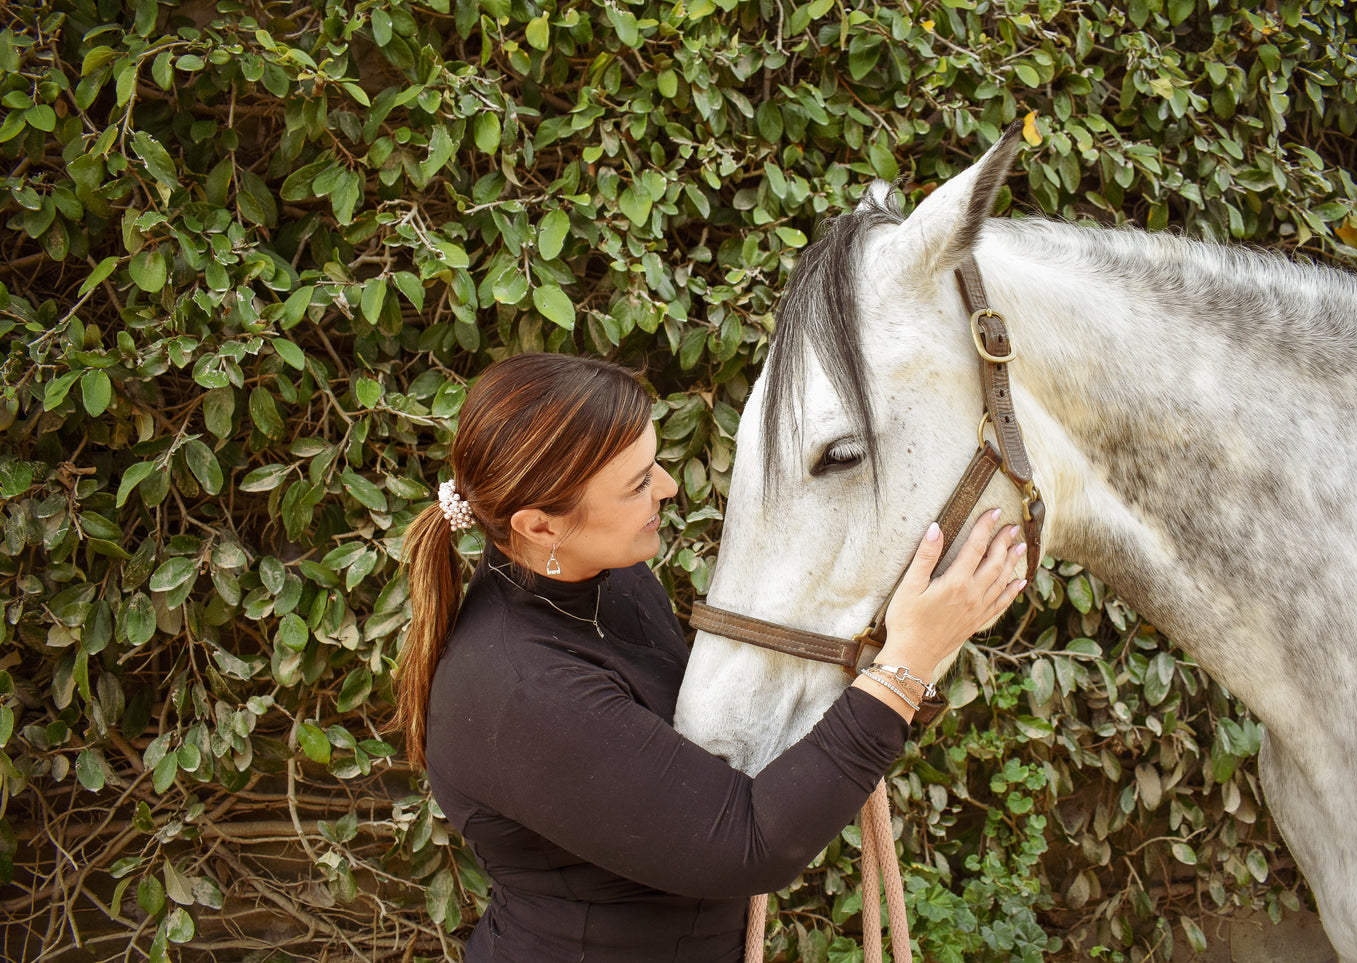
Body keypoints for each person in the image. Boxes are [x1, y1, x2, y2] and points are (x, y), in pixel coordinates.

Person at [392, 353, 1026, 962]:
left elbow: (710, 760)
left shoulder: (609, 581)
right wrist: (907, 665)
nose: (667, 487)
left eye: (655, 465)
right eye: (638, 484)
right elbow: (749, 845)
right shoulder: (521, 691)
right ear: (539, 527)